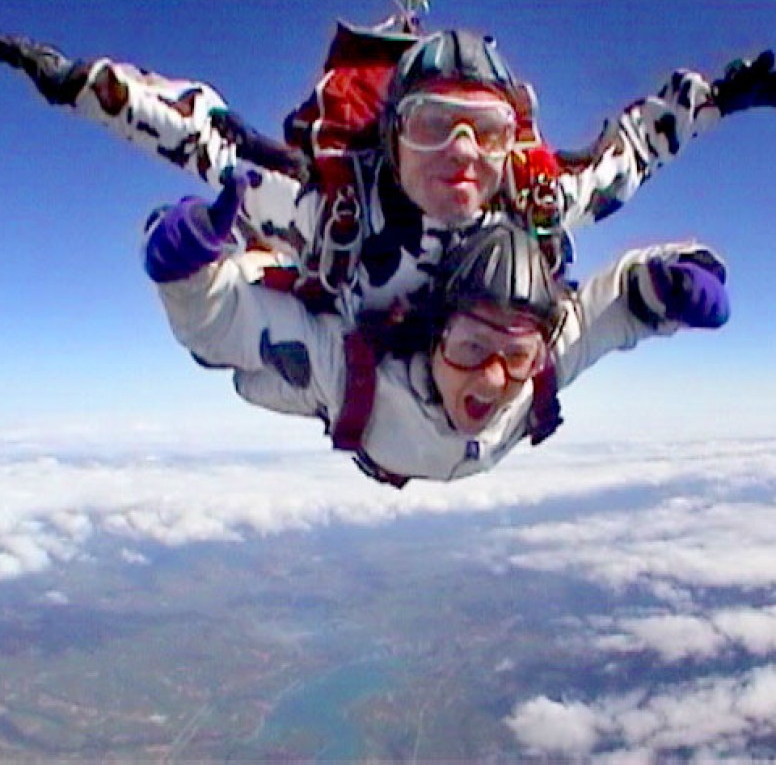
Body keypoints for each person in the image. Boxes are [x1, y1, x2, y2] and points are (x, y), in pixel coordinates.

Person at [0, 26, 770, 321]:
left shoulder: (536, 201)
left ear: (513, 141)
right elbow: (203, 135)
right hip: (352, 369)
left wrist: (723, 96)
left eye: (488, 132)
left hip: (477, 379)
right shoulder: (326, 210)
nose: (465, 154)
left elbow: (632, 150)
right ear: (393, 134)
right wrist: (79, 85)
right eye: (435, 127)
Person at [141, 170, 730, 486]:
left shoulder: (540, 367)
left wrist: (676, 280)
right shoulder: (348, 372)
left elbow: (615, 305)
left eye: (516, 356)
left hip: (381, 436)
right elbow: (225, 329)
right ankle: (257, 246)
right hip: (337, 403)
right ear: (435, 337)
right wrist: (188, 275)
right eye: (473, 347)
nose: (497, 378)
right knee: (245, 371)